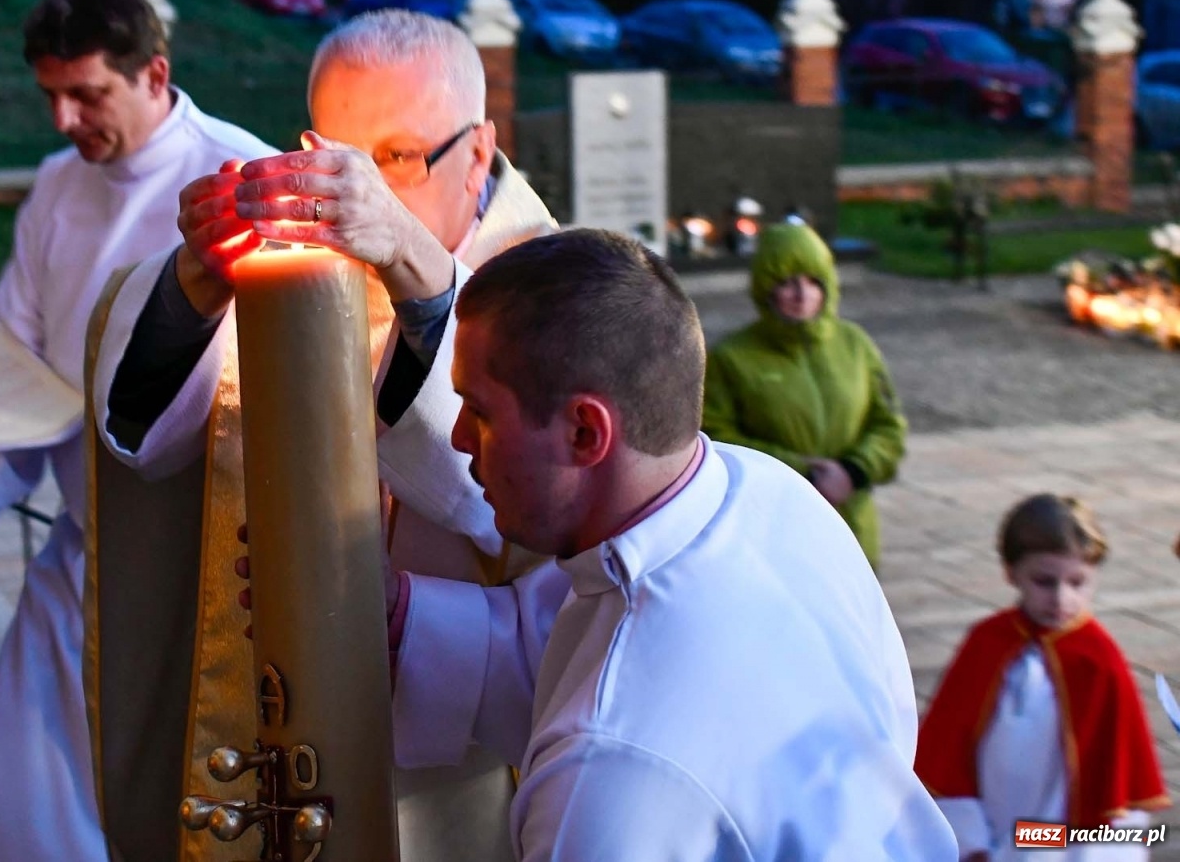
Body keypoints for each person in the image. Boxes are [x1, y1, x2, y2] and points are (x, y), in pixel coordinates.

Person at [86, 8, 554, 861]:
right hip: (277, 731)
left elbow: (492, 500)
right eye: (338, 158)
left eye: (398, 160)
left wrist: (417, 271)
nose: (357, 194)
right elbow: (147, 440)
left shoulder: (554, 290)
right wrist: (197, 280)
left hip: (451, 774)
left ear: (479, 153)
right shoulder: (291, 264)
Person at [387, 228, 957, 860]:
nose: (461, 439)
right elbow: (570, 650)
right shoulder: (769, 492)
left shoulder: (605, 778)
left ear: (584, 431)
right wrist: (396, 619)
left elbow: (624, 703)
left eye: (483, 413)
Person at [0, 0, 272, 861]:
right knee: (1, 792)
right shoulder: (62, 185)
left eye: (88, 94)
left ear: (155, 74)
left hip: (210, 559)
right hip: (90, 542)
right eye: (50, 96)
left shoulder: (235, 180)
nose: (64, 121)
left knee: (181, 798)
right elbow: (10, 344)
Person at [916, 495, 1169, 861]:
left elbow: (1117, 769)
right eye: (1044, 581)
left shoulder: (1099, 659)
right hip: (995, 822)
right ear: (1011, 572)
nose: (1061, 597)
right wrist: (969, 836)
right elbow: (948, 748)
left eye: (1077, 582)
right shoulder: (987, 643)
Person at [701, 221, 906, 567]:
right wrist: (801, 473)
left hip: (851, 527)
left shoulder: (855, 345)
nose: (801, 294)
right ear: (765, 290)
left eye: (813, 281)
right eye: (786, 282)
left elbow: (888, 425)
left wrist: (854, 471)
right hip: (775, 530)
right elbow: (717, 441)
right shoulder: (731, 359)